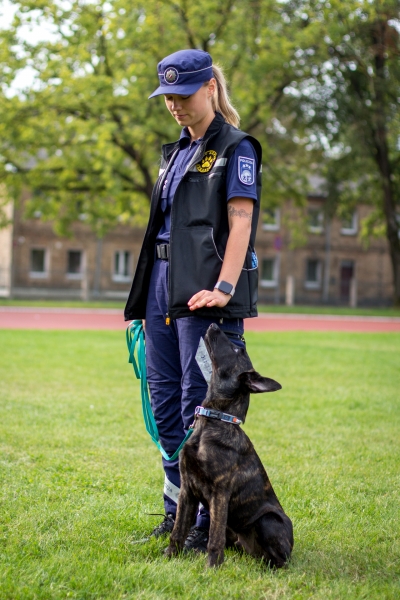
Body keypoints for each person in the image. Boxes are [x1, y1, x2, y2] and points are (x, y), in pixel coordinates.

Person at [124, 49, 262, 553]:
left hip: (206, 294)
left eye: (183, 96)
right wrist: (144, 297)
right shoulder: (177, 152)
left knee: (196, 406)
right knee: (162, 401)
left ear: (209, 88)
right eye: (167, 99)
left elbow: (241, 222)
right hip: (163, 284)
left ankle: (206, 523)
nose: (175, 106)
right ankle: (174, 510)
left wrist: (224, 288)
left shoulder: (236, 147)